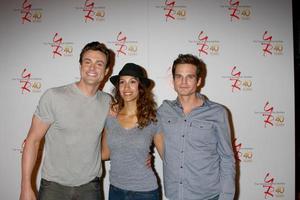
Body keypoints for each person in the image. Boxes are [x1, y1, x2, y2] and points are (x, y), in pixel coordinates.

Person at [20, 41, 112, 200]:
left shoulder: (108, 102)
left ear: (106, 71)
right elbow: (32, 141)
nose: (92, 68)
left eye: (99, 64)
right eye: (87, 62)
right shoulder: (54, 97)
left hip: (90, 187)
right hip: (54, 188)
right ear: (80, 66)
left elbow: (109, 147)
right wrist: (25, 186)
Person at [158, 54, 236, 200]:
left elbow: (227, 158)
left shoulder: (217, 112)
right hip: (175, 195)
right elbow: (139, 121)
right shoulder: (164, 110)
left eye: (190, 77)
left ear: (199, 80)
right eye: (179, 76)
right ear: (173, 80)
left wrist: (226, 196)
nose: (183, 82)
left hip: (208, 196)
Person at [101, 63, 164, 200]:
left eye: (132, 82)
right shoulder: (111, 116)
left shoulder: (152, 118)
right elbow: (104, 154)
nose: (126, 87)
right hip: (116, 190)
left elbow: (167, 155)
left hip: (145, 192)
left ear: (140, 87)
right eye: (122, 82)